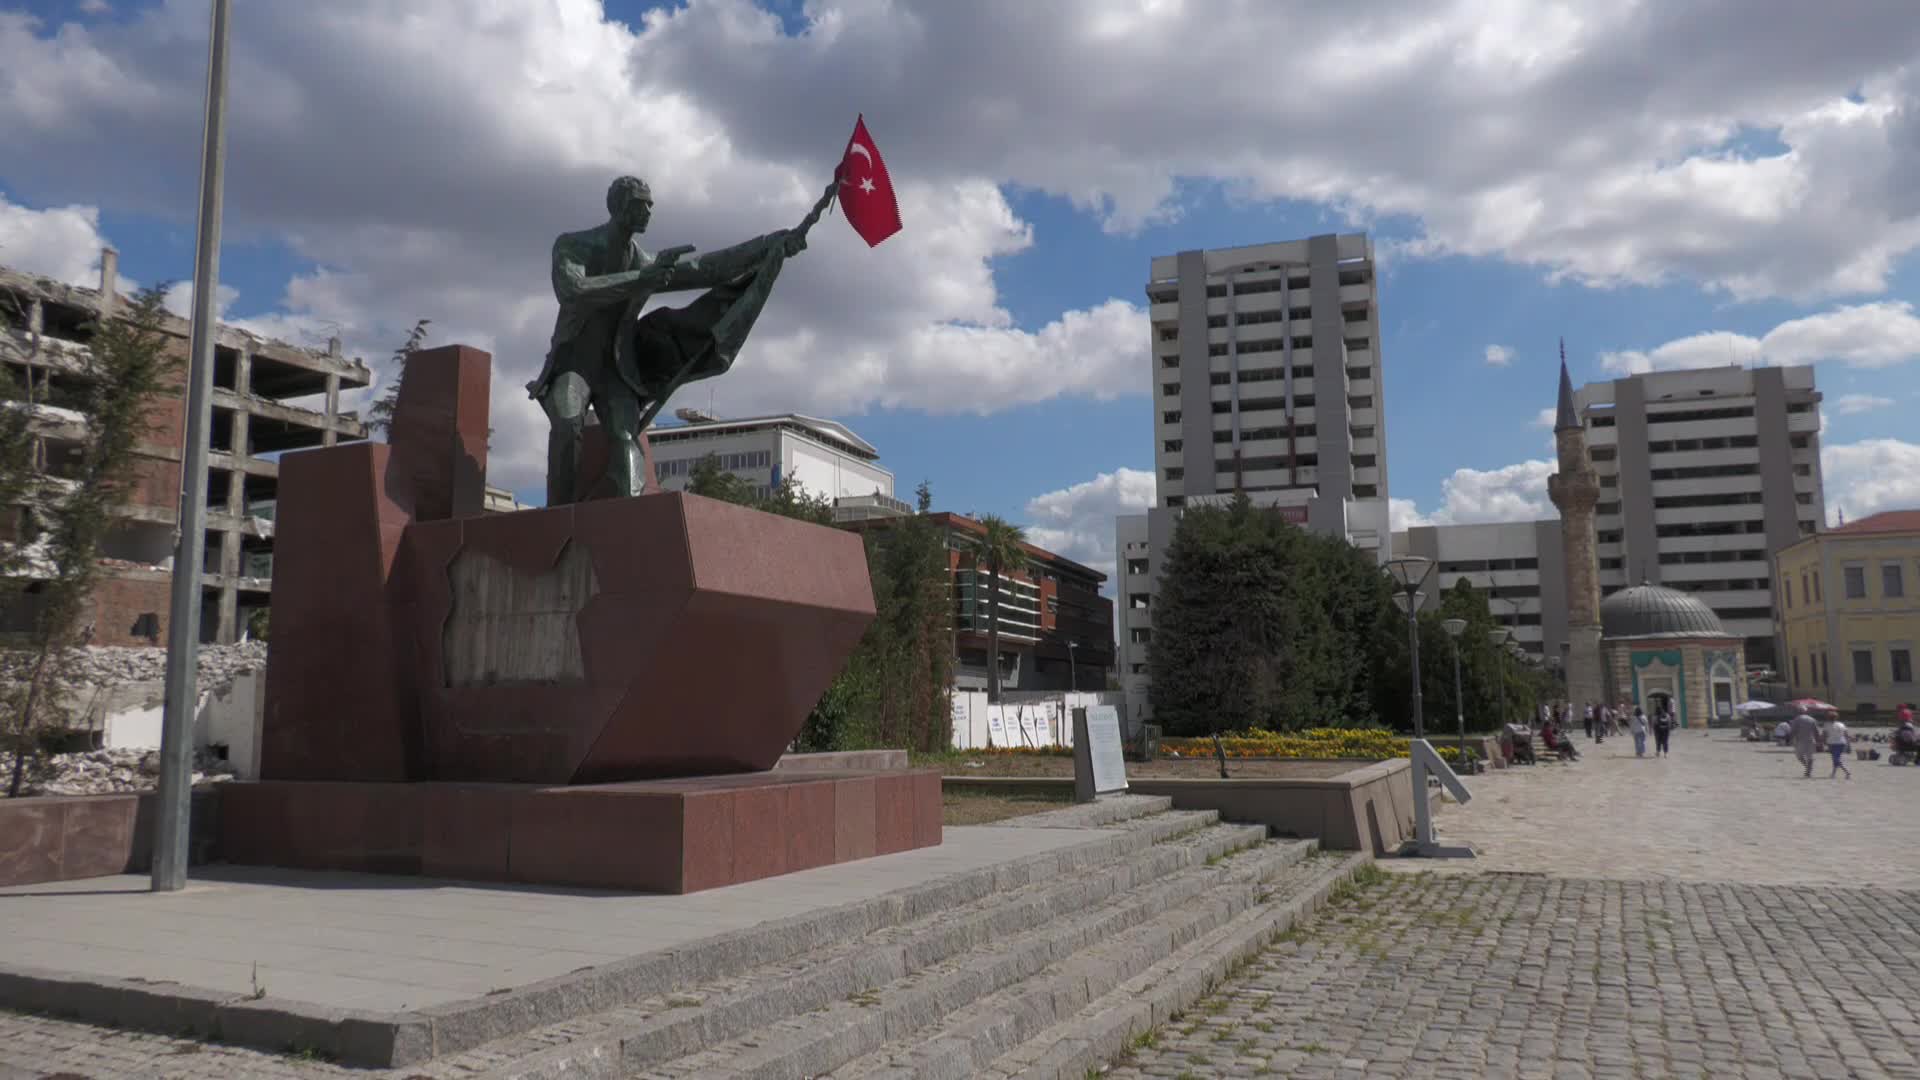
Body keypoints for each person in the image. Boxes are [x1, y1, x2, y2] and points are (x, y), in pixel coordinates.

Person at [1789, 711, 1821, 778]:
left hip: (1800, 740)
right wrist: (1818, 741)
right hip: (1811, 740)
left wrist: (1790, 739)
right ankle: (1808, 770)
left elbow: (1793, 730)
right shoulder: (1812, 719)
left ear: (1799, 712)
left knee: (1799, 756)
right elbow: (1816, 731)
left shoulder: (1797, 719)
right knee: (1810, 757)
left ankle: (1807, 769)